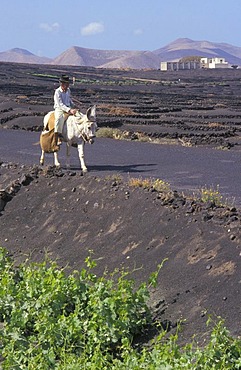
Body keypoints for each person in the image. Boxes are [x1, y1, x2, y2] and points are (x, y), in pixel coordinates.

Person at [53, 74, 77, 149]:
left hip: (68, 108)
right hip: (60, 109)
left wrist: (74, 106)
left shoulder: (68, 91)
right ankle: (58, 136)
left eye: (68, 84)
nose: (67, 85)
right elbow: (60, 104)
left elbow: (69, 100)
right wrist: (69, 110)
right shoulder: (57, 92)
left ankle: (73, 137)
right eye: (66, 84)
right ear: (62, 84)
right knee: (59, 119)